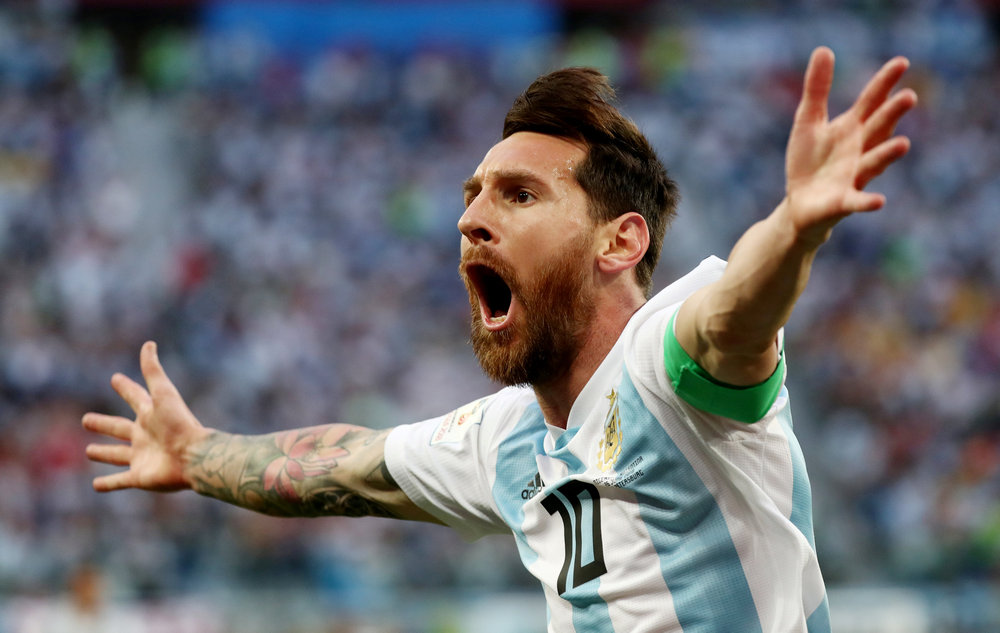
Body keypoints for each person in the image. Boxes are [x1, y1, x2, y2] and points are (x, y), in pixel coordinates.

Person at [83, 46, 917, 632]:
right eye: (473, 193)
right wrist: (198, 456)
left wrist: (796, 226)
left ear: (618, 242)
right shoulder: (508, 438)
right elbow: (342, 466)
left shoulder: (670, 356)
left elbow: (738, 308)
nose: (471, 218)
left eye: (517, 195)